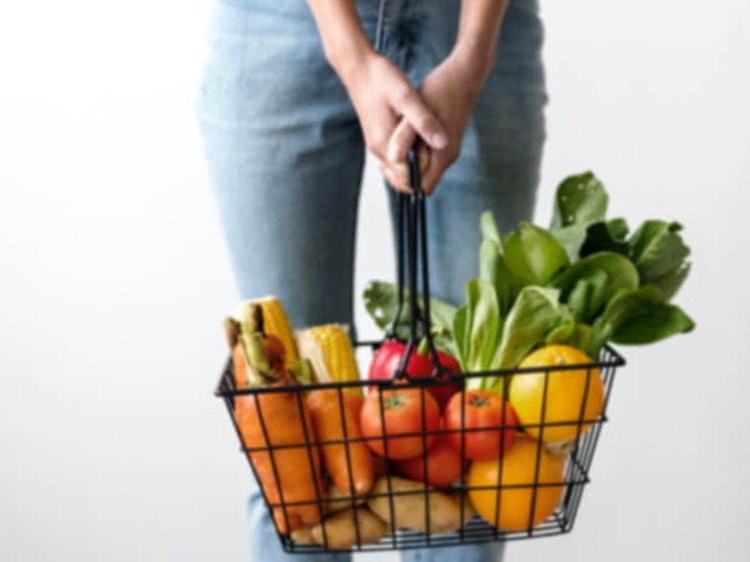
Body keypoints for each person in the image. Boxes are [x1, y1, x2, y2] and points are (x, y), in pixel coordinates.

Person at [197, 0, 546, 560]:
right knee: (292, 456)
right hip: (279, 24)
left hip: (472, 23)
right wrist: (348, 50)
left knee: (470, 452)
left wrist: (474, 54)